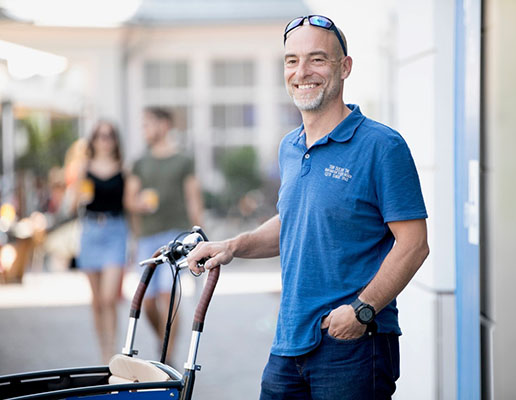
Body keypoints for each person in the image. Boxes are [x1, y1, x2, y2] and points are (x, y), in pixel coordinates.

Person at [187, 15, 429, 400]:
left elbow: (414, 244)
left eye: (317, 59)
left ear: (344, 67)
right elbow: (296, 222)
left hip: (352, 344)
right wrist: (233, 246)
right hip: (288, 341)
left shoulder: (382, 146)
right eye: (291, 60)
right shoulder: (290, 146)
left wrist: (362, 311)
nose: (302, 72)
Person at [124, 106, 203, 363]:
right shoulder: (140, 162)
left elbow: (193, 198)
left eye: (148, 124)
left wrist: (199, 234)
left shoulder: (183, 160)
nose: (145, 130)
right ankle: (163, 339)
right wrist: (140, 205)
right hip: (147, 236)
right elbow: (129, 199)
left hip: (175, 237)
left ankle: (167, 357)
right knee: (146, 302)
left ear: (164, 125)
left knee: (168, 297)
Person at [74, 121, 129, 364]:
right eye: (100, 136)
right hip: (90, 230)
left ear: (115, 140)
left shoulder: (123, 169)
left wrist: (137, 239)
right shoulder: (83, 167)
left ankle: (113, 349)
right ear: (93, 140)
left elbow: (129, 205)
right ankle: (103, 352)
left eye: (109, 136)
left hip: (116, 231)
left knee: (109, 297)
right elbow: (74, 202)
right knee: (96, 301)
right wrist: (78, 193)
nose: (105, 141)